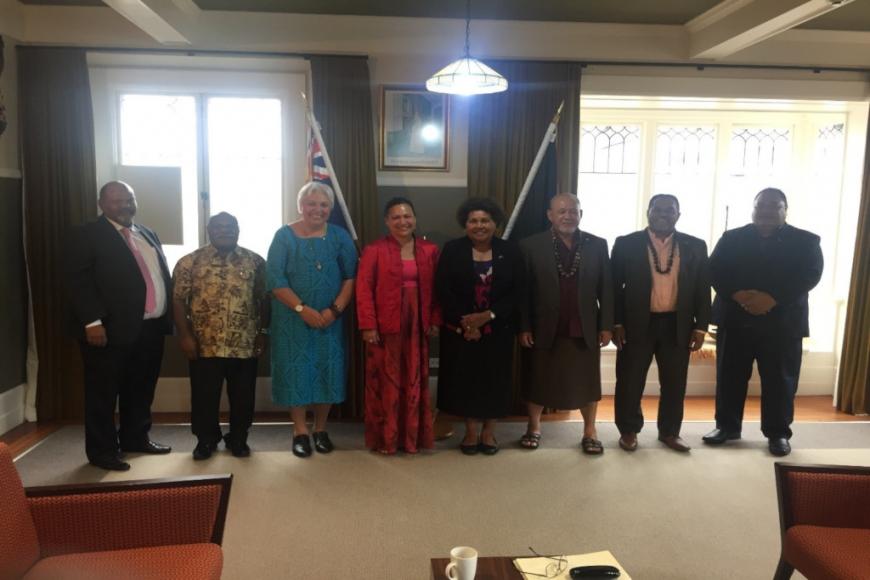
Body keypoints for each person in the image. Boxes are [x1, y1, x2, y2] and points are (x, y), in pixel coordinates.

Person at [703, 188, 823, 457]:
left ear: (785, 210)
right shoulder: (732, 238)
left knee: (780, 381)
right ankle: (727, 427)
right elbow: (713, 270)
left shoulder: (806, 241)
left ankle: (778, 433)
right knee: (729, 376)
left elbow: (811, 275)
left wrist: (773, 298)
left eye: (774, 206)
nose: (766, 211)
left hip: (783, 323)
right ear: (753, 209)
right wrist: (738, 294)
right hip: (735, 319)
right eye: (761, 206)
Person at [65, 181, 173, 471]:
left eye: (129, 199)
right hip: (107, 331)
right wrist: (92, 321)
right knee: (103, 393)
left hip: (150, 328)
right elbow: (78, 282)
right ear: (102, 203)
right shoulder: (86, 235)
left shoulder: (146, 233)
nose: (125, 205)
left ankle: (135, 438)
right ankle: (102, 451)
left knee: (140, 388)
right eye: (116, 200)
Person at [611, 194, 711, 453]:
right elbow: (613, 289)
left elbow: (703, 289)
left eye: (670, 210)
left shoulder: (696, 246)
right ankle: (629, 430)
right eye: (658, 209)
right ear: (648, 212)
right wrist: (616, 322)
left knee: (675, 382)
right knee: (630, 380)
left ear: (678, 214)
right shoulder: (626, 244)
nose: (663, 214)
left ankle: (669, 432)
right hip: (636, 324)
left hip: (678, 325)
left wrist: (701, 326)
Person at [267, 182, 357, 458]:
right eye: (312, 204)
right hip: (292, 321)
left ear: (330, 208)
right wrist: (301, 309)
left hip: (330, 321)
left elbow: (350, 276)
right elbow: (275, 279)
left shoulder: (340, 237)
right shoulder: (284, 237)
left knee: (326, 371)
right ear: (301, 206)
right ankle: (300, 430)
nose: (318, 210)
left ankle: (320, 429)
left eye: (323, 205)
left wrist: (334, 311)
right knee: (296, 373)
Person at [519, 193, 613, 455]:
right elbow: (523, 292)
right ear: (550, 215)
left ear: (581, 214)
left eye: (573, 211)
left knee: (587, 381)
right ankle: (533, 427)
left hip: (585, 326)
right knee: (539, 378)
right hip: (543, 326)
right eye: (561, 211)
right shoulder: (530, 245)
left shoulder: (597, 244)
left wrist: (606, 325)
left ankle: (590, 431)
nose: (568, 216)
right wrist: (524, 326)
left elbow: (607, 288)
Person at [172, 212, 269, 460]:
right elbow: (179, 301)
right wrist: (184, 336)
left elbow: (264, 300)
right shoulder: (189, 262)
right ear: (209, 230)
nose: (225, 231)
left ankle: (238, 439)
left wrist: (262, 333)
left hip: (244, 343)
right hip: (204, 344)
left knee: (243, 396)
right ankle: (206, 440)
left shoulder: (255, 262)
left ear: (238, 230)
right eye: (219, 227)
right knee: (204, 396)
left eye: (230, 227)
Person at [435, 198, 524, 455]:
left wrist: (490, 315)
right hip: (461, 330)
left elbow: (519, 291)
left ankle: (489, 433)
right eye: (473, 221)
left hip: (498, 329)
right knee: (467, 381)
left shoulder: (511, 250)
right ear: (465, 224)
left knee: (494, 380)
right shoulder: (452, 249)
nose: (479, 225)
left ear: (495, 223)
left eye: (485, 220)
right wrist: (465, 322)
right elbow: (443, 289)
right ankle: (471, 432)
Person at [356, 197, 441, 454]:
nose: (402, 222)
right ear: (387, 221)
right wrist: (368, 325)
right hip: (385, 327)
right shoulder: (375, 250)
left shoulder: (430, 250)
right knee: (386, 381)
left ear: (414, 219)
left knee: (415, 379)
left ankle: (412, 437)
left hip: (418, 325)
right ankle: (387, 438)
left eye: (407, 217)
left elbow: (438, 290)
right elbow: (363, 290)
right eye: (396, 217)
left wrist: (435, 319)